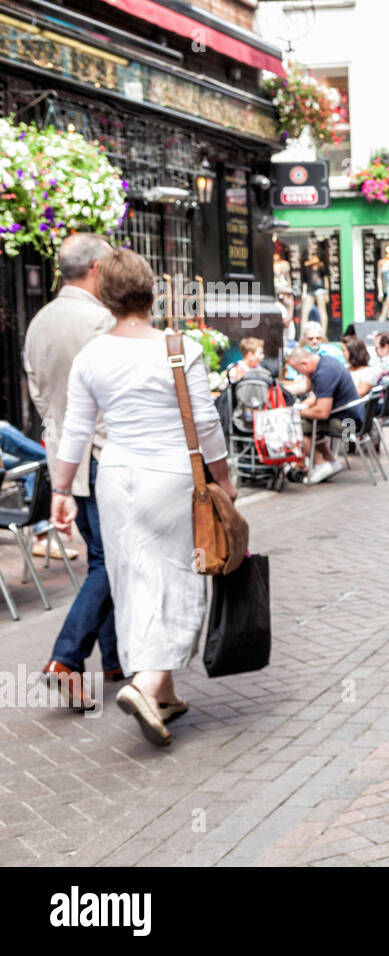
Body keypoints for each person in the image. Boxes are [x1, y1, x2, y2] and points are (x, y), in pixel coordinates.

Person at [50, 248, 236, 746]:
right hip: (171, 477)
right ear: (153, 292)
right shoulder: (179, 348)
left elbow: (75, 430)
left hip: (115, 477)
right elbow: (206, 424)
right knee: (177, 579)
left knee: (133, 579)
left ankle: (165, 694)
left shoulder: (91, 355)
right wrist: (224, 479)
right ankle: (147, 683)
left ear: (105, 296)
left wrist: (62, 490)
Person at [23, 233, 118, 707]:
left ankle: (116, 657)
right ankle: (67, 657)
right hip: (101, 455)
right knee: (109, 560)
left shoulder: (38, 322)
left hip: (64, 457)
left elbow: (39, 395)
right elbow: (111, 396)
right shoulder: (102, 320)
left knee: (100, 556)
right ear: (98, 270)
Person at [286, 346, 363, 484]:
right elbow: (313, 392)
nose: (301, 374)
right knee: (308, 422)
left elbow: (322, 413)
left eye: (299, 370)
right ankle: (331, 461)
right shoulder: (326, 362)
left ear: (304, 364)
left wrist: (297, 412)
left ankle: (320, 464)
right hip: (353, 418)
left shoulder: (323, 374)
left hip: (348, 425)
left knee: (296, 426)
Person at [343, 332, 379, 397]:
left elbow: (360, 393)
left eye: (344, 350)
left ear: (353, 352)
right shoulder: (344, 368)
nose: (342, 354)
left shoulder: (368, 372)